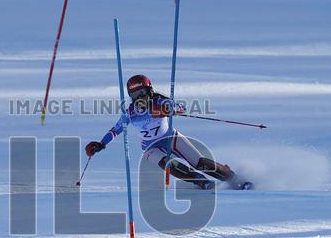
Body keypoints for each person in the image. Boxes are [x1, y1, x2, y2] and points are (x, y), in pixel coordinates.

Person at [85, 74, 252, 190]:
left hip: (171, 138)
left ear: (149, 90)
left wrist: (167, 108)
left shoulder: (159, 100)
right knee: (169, 164)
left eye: (142, 92)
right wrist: (101, 144)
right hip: (150, 148)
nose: (140, 97)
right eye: (135, 95)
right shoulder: (130, 112)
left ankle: (234, 179)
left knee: (199, 163)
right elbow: (115, 130)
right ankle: (199, 181)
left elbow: (181, 108)